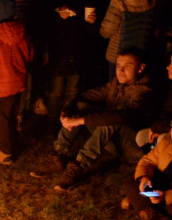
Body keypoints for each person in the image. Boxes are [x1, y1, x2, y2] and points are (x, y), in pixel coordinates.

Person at [47, 47, 155, 192]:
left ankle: (79, 165)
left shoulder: (144, 91)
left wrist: (80, 121)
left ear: (141, 68)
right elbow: (86, 96)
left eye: (127, 66)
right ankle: (59, 153)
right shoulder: (116, 85)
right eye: (118, 66)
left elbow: (121, 116)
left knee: (111, 120)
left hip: (133, 148)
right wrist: (66, 112)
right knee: (82, 106)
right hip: (113, 141)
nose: (121, 71)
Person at [0, 0, 33, 165]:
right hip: (18, 83)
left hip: (1, 87)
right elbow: (30, 55)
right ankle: (12, 145)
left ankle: (5, 153)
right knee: (11, 117)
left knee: (1, 119)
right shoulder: (22, 33)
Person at [42, 0, 96, 122]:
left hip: (77, 54)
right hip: (59, 55)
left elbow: (89, 33)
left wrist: (91, 23)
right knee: (56, 90)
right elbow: (50, 30)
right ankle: (52, 120)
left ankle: (66, 119)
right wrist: (60, 19)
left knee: (72, 91)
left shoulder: (85, 2)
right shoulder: (57, 2)